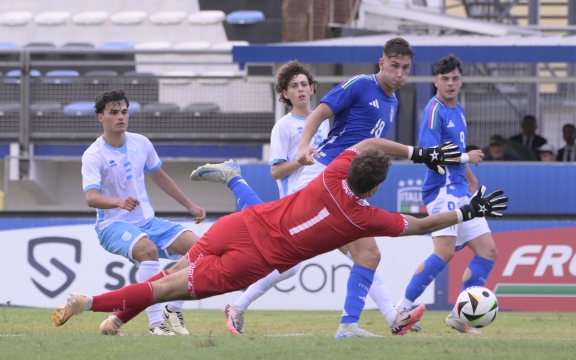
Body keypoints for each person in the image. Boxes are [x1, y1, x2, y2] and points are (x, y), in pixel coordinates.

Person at [53, 138, 508, 338]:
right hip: (254, 260)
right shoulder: (365, 218)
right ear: (372, 189)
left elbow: (373, 142)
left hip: (240, 226)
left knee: (173, 270)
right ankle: (90, 302)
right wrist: (471, 209)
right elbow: (425, 225)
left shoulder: (334, 172)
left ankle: (116, 321)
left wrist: (419, 153)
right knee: (167, 287)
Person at [292, 37, 417, 338]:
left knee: (366, 254)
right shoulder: (360, 84)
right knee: (280, 250)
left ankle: (369, 321)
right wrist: (303, 144)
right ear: (382, 63)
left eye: (406, 68)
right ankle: (368, 321)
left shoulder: (393, 102)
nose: (400, 73)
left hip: (346, 185)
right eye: (395, 66)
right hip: (325, 174)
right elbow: (320, 112)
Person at [207, 60, 329, 334]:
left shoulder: (324, 122)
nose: (300, 90)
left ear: (312, 88)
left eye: (303, 84)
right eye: (293, 86)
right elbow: (276, 172)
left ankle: (382, 316)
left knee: (357, 250)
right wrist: (302, 160)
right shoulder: (283, 127)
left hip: (322, 201)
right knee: (294, 264)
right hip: (295, 203)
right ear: (284, 93)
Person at [81, 90, 206, 335]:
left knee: (202, 250)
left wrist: (189, 205)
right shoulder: (93, 155)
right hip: (112, 226)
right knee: (148, 251)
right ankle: (155, 324)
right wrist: (118, 202)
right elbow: (91, 198)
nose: (121, 117)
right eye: (114, 112)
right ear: (100, 117)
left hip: (148, 222)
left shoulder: (141, 143)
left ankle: (173, 307)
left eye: (124, 112)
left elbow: (159, 176)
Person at [394, 54, 502, 335]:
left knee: (488, 251)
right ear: (436, 81)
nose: (450, 83)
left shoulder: (459, 109)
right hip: (441, 190)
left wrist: (471, 181)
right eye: (445, 79)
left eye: (455, 78)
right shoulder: (434, 111)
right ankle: (402, 308)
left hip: (460, 190)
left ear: (461, 79)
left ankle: (460, 316)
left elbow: (456, 151)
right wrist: (467, 158)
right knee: (443, 252)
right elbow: (431, 156)